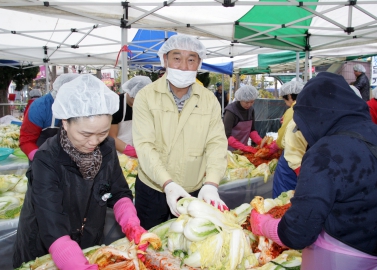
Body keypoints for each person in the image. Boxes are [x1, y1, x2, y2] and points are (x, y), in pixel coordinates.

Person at [13, 74, 149, 269]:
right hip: (46, 250)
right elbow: (52, 224)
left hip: (88, 239)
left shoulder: (107, 147)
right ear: (65, 123)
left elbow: (117, 191)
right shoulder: (46, 159)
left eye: (102, 133)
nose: (94, 142)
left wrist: (131, 223)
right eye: (85, 134)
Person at [250, 72, 377, 269]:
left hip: (340, 259)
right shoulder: (372, 133)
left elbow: (298, 232)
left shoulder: (325, 153)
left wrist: (264, 225)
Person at [132, 34, 228, 230]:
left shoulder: (209, 100)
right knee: (150, 244)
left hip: (194, 189)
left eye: (191, 59)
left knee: (186, 246)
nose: (184, 66)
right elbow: (144, 145)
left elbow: (216, 143)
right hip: (153, 188)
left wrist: (211, 183)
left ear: (199, 63)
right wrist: (167, 183)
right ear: (164, 59)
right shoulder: (146, 97)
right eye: (177, 58)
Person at [19, 73, 80, 161]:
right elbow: (26, 140)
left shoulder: (81, 106)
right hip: (42, 158)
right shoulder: (39, 107)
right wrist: (40, 159)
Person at [272, 80, 306, 198]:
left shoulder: (293, 110)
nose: (285, 102)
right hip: (304, 160)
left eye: (285, 99)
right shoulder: (307, 108)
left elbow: (282, 138)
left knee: (283, 198)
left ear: (290, 96)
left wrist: (273, 147)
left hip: (291, 161)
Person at [109, 76, 152, 157]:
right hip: (118, 154)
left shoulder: (148, 106)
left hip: (140, 150)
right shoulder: (117, 104)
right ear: (129, 92)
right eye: (135, 98)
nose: (138, 103)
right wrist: (131, 152)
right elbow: (112, 138)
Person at [223, 85, 265, 153]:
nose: (249, 105)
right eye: (246, 102)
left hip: (243, 149)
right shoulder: (230, 112)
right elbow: (226, 135)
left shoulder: (251, 110)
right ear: (240, 99)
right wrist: (243, 147)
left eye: (252, 102)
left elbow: (252, 130)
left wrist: (260, 142)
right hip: (228, 150)